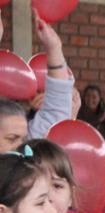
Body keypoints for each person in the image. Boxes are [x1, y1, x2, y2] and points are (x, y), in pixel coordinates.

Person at [0, 12, 75, 149]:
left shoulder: (24, 159)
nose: (22, 147)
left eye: (23, 139)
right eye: (12, 139)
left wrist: (54, 49)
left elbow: (54, 115)